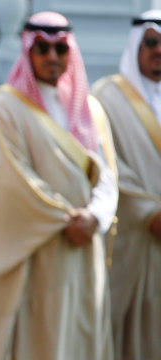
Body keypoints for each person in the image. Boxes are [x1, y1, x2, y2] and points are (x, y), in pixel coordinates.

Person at [0, 11, 118, 360]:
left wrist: (97, 218)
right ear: (28, 50)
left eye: (60, 49)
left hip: (85, 242)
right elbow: (16, 180)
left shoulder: (90, 108)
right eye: (42, 48)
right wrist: (69, 218)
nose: (52, 57)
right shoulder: (6, 104)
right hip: (39, 244)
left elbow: (106, 175)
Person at [91, 10, 161, 360]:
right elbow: (107, 165)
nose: (158, 50)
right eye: (151, 42)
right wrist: (149, 213)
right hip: (132, 235)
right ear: (136, 44)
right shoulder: (107, 96)